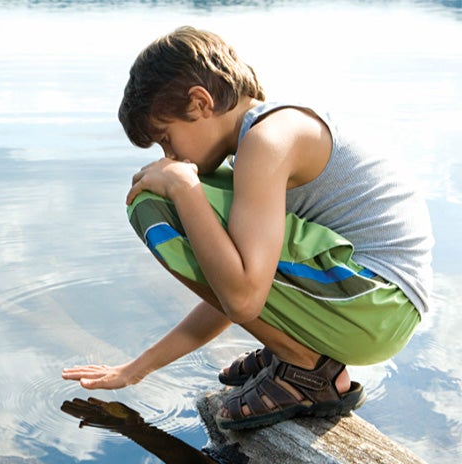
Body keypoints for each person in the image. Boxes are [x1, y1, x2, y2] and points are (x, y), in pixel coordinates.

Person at [62, 26, 433, 430]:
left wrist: (185, 188)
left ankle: (307, 370)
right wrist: (137, 369)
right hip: (375, 309)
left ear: (200, 102)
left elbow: (242, 300)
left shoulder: (267, 140)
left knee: (156, 202)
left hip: (375, 304)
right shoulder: (264, 135)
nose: (169, 155)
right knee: (193, 205)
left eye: (167, 139)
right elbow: (232, 288)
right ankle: (296, 353)